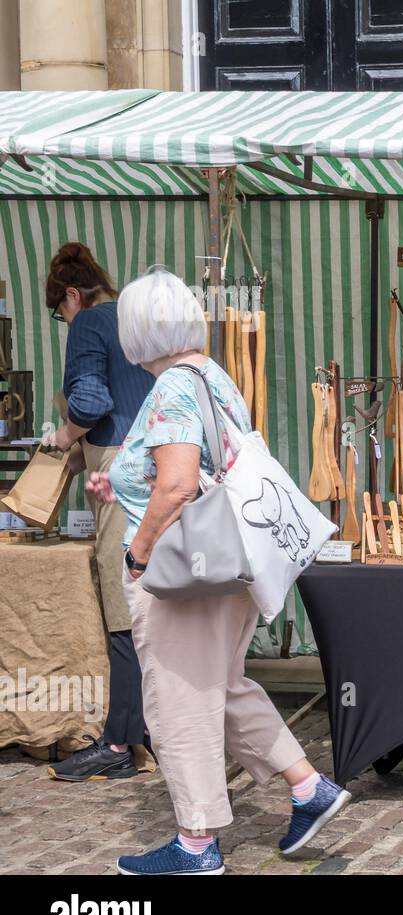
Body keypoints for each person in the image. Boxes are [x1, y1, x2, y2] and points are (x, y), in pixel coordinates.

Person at [95, 268, 349, 875]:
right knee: (223, 689)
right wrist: (124, 486)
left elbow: (180, 483)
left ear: (135, 332)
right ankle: (308, 787)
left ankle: (196, 842)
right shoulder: (214, 378)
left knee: (179, 703)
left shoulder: (169, 389)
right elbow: (201, 470)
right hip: (228, 569)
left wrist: (138, 553)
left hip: (182, 578)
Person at [41, 243, 155, 783]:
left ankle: (116, 744)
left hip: (118, 470)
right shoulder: (136, 317)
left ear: (70, 295)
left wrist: (61, 436)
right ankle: (153, 730)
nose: (63, 321)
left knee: (122, 606)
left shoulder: (88, 324)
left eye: (58, 312)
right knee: (152, 604)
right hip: (160, 464)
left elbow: (89, 403)